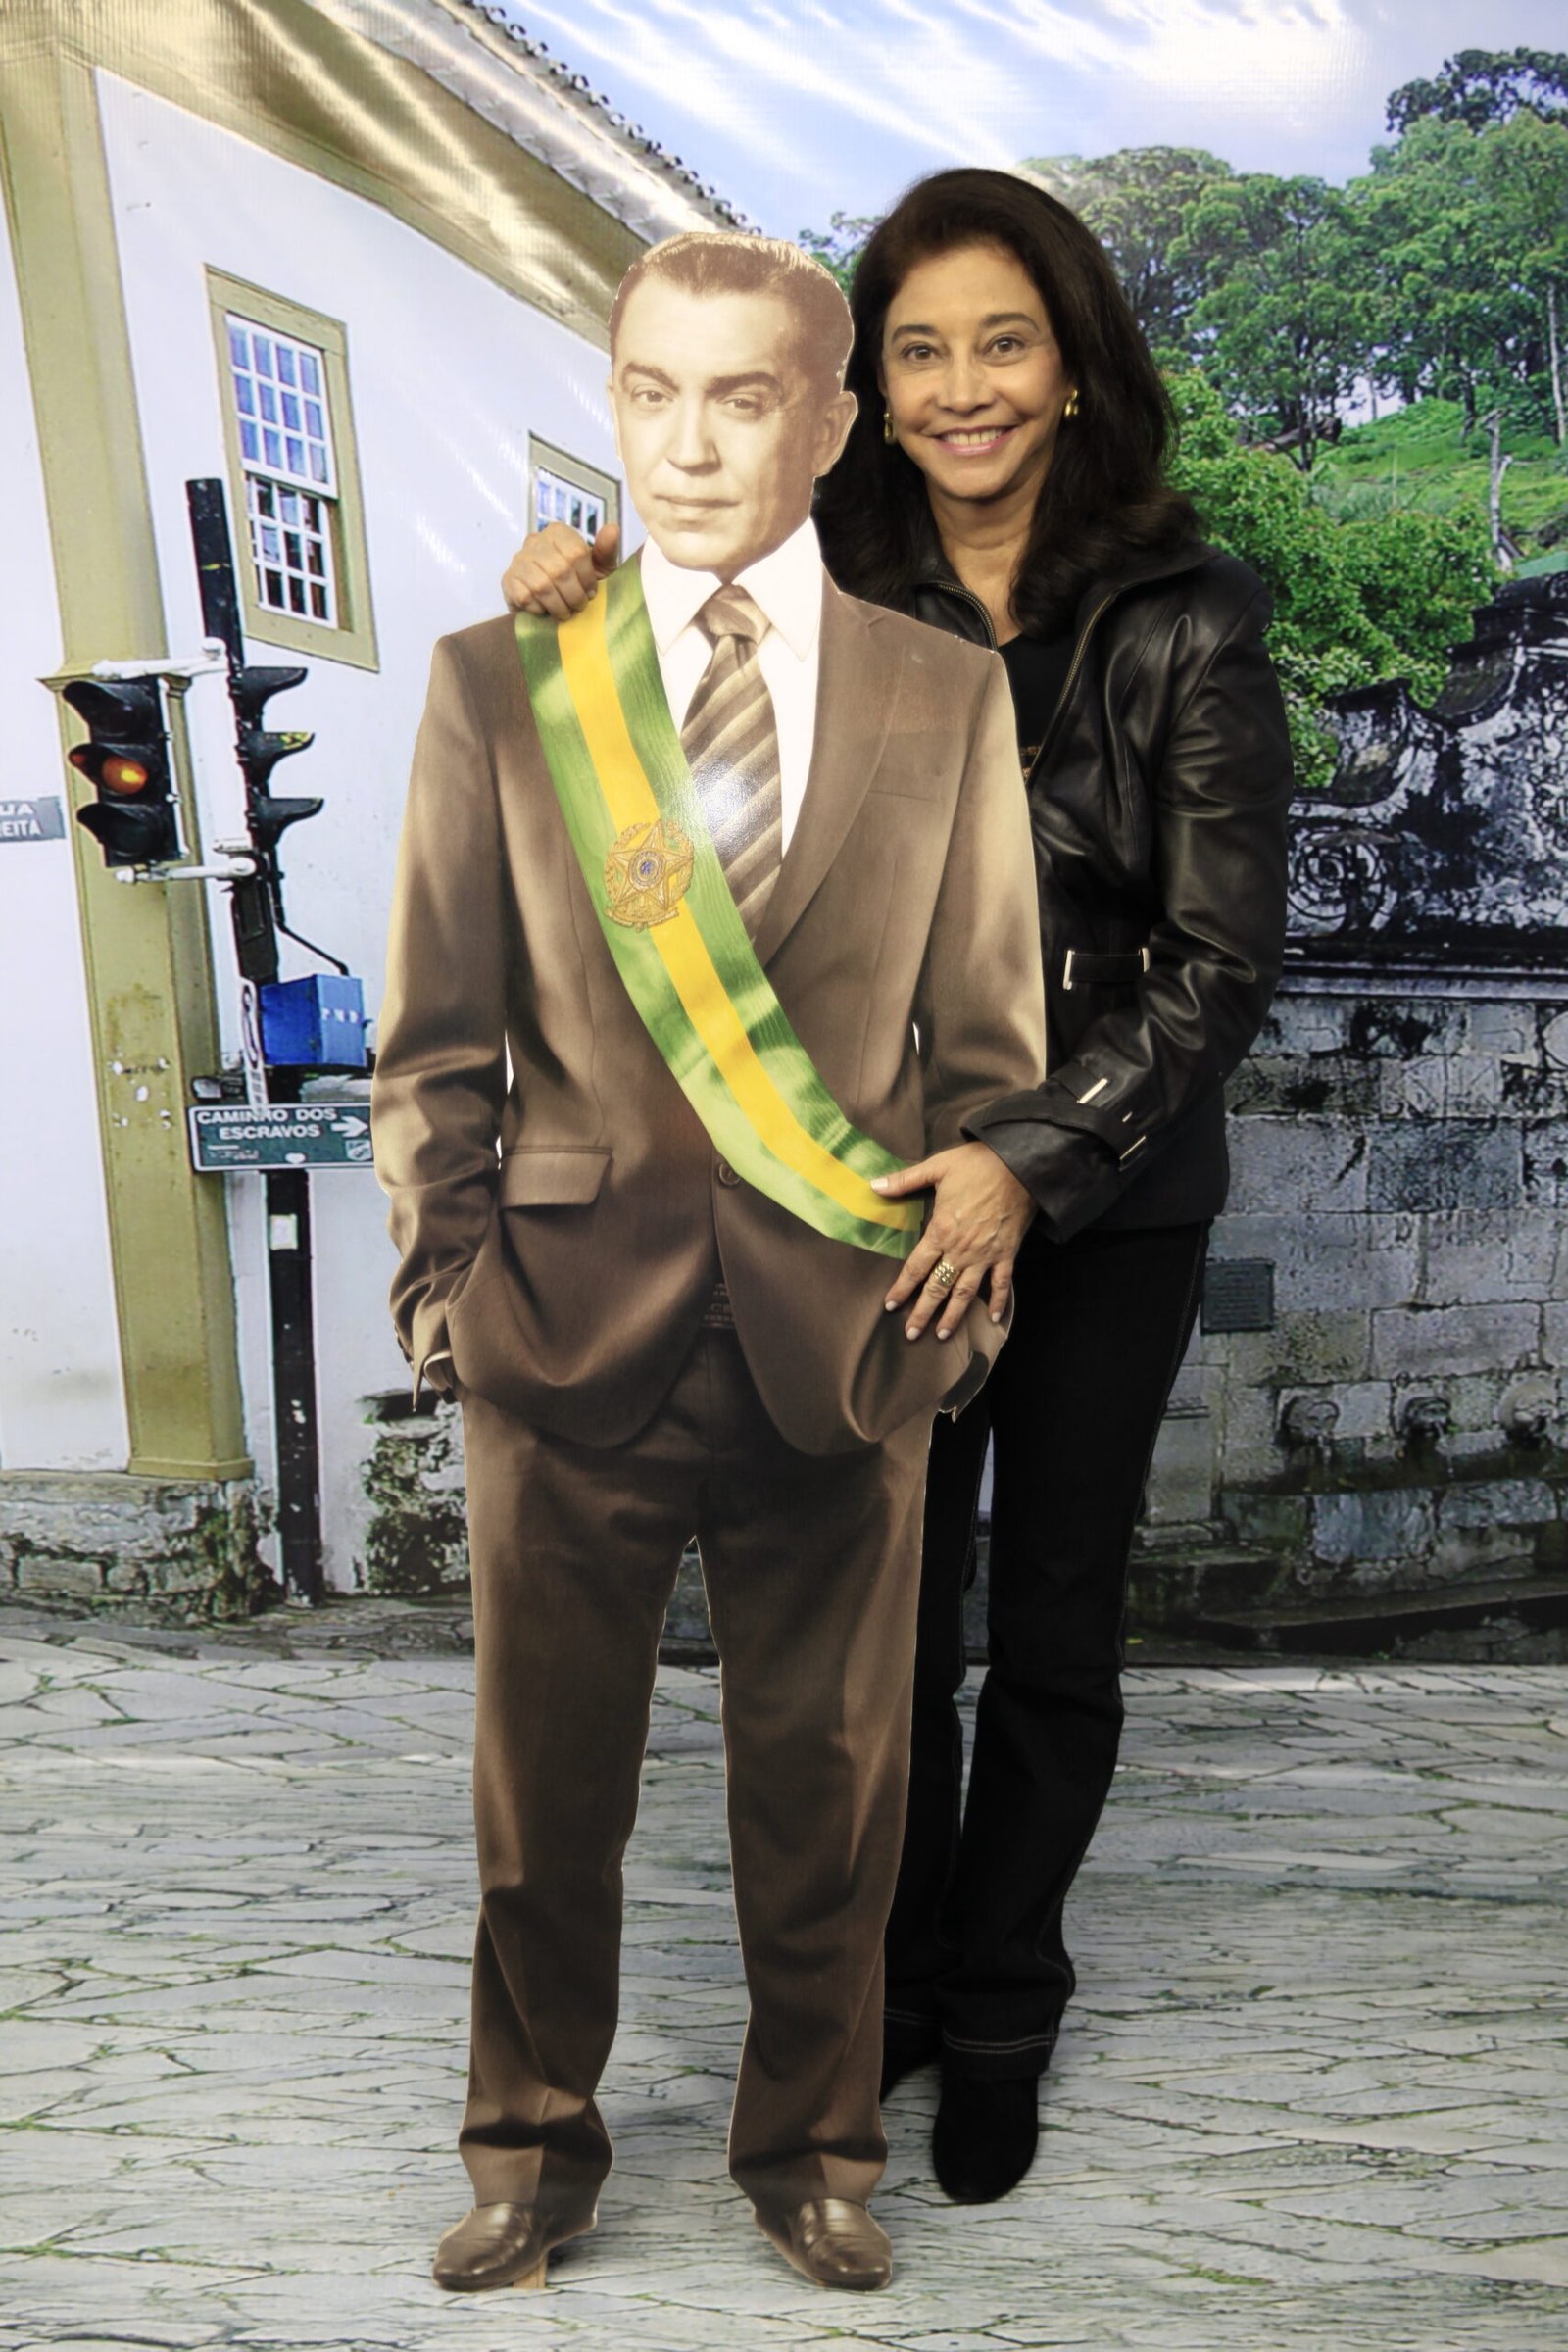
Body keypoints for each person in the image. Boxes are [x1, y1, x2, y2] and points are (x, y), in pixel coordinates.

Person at [502, 169, 1293, 2210]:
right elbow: (662, 756)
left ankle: (1005, 1997)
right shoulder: (811, 575)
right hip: (852, 1187)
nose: (962, 389)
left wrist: (1028, 1160)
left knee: (1053, 1622)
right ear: (867, 390)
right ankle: (894, 1988)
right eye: (919, 350)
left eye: (1003, 343)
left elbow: (1216, 963)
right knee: (880, 1627)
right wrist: (570, 600)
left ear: (1073, 366)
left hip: (1104, 1199)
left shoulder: (1187, 615)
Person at [372, 228, 1045, 2295]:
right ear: (611, 400)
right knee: (540, 1798)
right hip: (561, 1328)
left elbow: (989, 1049)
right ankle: (525, 2152)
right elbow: (434, 1040)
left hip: (847, 1333)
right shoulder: (505, 683)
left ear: (829, 425)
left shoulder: (946, 692)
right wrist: (447, 1302)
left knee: (832, 1796)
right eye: (649, 392)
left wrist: (966, 1289)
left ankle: (816, 2156)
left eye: (741, 397)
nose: (684, 444)